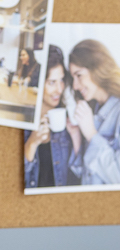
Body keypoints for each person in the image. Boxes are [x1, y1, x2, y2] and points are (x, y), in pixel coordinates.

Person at [68, 39, 120, 186]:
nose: (75, 85)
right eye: (73, 78)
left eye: (79, 75)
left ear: (97, 69)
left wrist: (91, 135)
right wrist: (77, 139)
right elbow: (85, 176)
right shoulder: (92, 110)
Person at [23, 45, 81, 189]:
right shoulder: (22, 124)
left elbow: (76, 177)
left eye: (61, 80)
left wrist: (77, 140)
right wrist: (31, 143)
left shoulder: (66, 121)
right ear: (37, 84)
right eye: (52, 82)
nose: (60, 89)